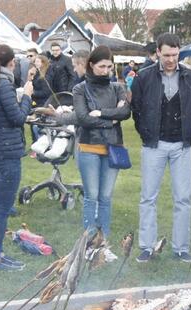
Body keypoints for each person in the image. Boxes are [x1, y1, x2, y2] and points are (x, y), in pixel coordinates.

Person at [130, 32, 191, 263]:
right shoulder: (144, 77)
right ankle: (146, 247)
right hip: (153, 145)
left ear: (180, 52)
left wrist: (188, 131)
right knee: (148, 197)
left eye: (175, 54)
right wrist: (146, 133)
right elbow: (136, 110)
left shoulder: (190, 77)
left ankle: (181, 248)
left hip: (182, 146)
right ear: (157, 52)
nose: (171, 59)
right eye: (166, 54)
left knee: (183, 198)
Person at [0, 44, 33, 271]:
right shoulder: (5, 85)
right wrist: (27, 97)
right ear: (12, 63)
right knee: (2, 207)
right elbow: (18, 117)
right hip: (7, 151)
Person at [71, 46, 130, 238]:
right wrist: (112, 120)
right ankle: (88, 241)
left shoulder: (117, 87)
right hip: (89, 147)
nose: (106, 71)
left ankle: (103, 241)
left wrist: (102, 113)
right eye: (102, 66)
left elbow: (125, 112)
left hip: (113, 147)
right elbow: (82, 118)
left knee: (105, 197)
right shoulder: (80, 88)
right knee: (92, 196)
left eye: (109, 67)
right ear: (91, 65)